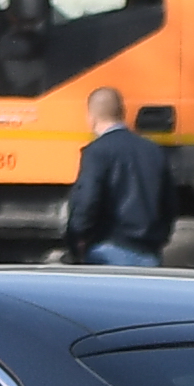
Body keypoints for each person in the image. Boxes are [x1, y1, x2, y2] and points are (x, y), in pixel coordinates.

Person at [64, 84, 176, 267]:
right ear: (123, 113)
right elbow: (169, 204)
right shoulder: (153, 150)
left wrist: (75, 240)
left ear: (91, 117)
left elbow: (87, 201)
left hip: (108, 250)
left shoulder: (97, 152)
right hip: (149, 253)